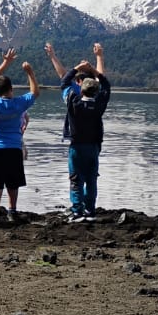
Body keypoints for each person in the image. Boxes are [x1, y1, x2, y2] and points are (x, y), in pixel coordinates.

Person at [0, 48, 39, 221]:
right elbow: (35, 92)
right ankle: (12, 211)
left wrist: (3, 65)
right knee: (13, 182)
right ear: (11, 89)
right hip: (13, 148)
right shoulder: (19, 104)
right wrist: (30, 73)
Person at [60, 42, 111, 222]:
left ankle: (77, 211)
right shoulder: (99, 104)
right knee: (91, 179)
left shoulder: (74, 102)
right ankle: (90, 211)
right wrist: (94, 70)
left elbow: (64, 82)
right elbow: (106, 85)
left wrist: (77, 68)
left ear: (80, 89)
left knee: (76, 180)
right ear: (96, 91)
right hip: (93, 147)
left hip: (77, 147)